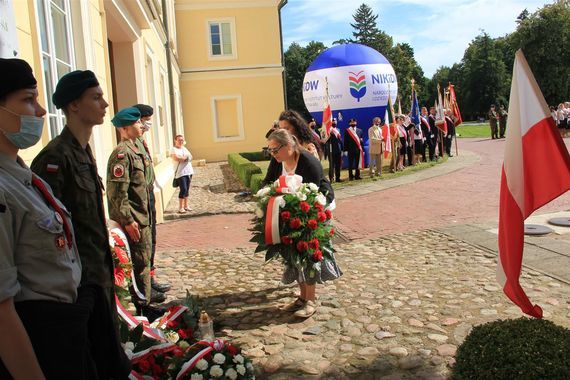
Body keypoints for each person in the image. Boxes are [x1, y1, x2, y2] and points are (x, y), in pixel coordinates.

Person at [31, 70, 130, 378]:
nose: (104, 103)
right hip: (77, 286)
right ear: (74, 105)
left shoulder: (84, 152)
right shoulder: (55, 158)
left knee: (107, 354)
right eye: (96, 97)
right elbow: (50, 230)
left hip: (97, 275)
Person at [0, 58, 90, 378]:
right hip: (37, 337)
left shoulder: (21, 175)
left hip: (63, 328)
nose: (40, 111)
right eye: (27, 99)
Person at [262, 129, 341, 318]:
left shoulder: (308, 162)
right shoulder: (277, 161)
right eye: (270, 150)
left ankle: (310, 300)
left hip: (312, 212)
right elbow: (267, 182)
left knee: (307, 255)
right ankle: (302, 298)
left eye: (275, 150)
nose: (272, 154)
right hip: (288, 213)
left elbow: (312, 193)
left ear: (288, 145)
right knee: (293, 257)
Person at [106, 107, 163, 320]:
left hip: (143, 217)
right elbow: (117, 193)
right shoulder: (121, 154)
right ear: (124, 128)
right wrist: (128, 220)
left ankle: (146, 304)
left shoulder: (135, 149)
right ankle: (143, 308)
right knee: (139, 264)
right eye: (137, 123)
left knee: (144, 260)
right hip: (135, 220)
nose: (142, 125)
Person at [132, 104, 171, 294]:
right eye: (145, 121)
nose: (147, 125)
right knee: (144, 245)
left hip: (148, 195)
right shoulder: (130, 146)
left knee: (151, 241)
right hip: (139, 201)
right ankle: (145, 286)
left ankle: (150, 278)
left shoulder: (141, 142)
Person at [171, 134, 194, 213]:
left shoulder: (184, 148)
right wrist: (186, 158)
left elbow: (191, 157)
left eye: (182, 140)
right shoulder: (174, 149)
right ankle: (180, 207)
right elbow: (177, 158)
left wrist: (185, 158)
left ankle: (186, 206)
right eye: (179, 140)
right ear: (175, 140)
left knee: (187, 189)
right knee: (183, 189)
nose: (181, 141)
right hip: (181, 173)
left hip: (189, 172)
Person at [321, 118, 343, 182]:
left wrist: (342, 148)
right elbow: (324, 139)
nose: (334, 122)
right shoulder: (328, 130)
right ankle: (331, 178)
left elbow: (340, 140)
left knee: (338, 165)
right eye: (333, 121)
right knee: (331, 165)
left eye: (335, 121)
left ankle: (338, 178)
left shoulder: (338, 129)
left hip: (338, 150)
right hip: (331, 150)